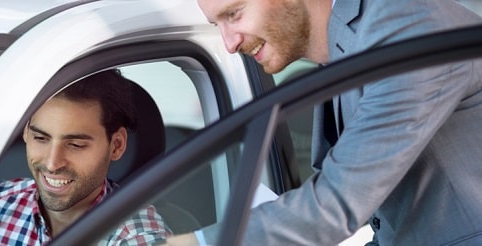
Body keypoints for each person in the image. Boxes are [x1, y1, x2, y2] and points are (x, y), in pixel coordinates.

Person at [164, 0, 482, 245]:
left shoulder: (404, 26)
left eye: (234, 14)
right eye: (216, 23)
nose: (229, 43)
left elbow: (339, 202)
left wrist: (196, 243)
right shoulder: (350, 42)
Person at [0, 69, 171, 245]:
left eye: (75, 145)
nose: (52, 163)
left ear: (116, 145)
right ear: (25, 132)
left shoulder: (137, 238)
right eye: (41, 138)